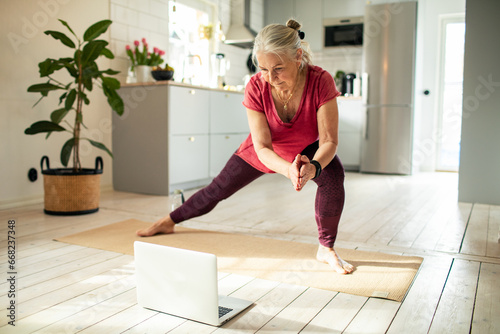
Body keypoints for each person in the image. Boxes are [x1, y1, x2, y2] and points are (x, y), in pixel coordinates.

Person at [137, 19, 354, 275]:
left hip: (307, 148)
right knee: (217, 189)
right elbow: (262, 147)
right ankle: (169, 221)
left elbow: (329, 140)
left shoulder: (320, 80)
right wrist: (288, 171)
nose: (271, 78)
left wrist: (314, 167)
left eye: (279, 69)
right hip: (264, 151)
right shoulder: (255, 86)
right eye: (263, 69)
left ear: (298, 56)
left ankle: (325, 248)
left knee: (333, 178)